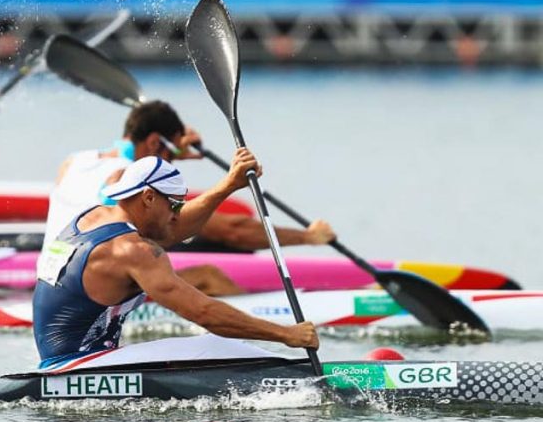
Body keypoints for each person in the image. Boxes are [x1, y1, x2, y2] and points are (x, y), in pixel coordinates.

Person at [33, 153, 319, 371]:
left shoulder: (92, 217)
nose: (176, 214)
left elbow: (174, 229)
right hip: (81, 366)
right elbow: (203, 312)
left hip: (60, 361)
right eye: (175, 205)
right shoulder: (134, 252)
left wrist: (228, 185)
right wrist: (287, 334)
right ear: (148, 197)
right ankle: (304, 375)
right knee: (214, 346)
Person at [43, 100, 335, 295]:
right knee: (210, 276)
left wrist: (174, 153)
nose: (173, 162)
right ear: (155, 142)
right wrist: (308, 237)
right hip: (90, 285)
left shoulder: (74, 161)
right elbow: (233, 231)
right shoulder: (127, 180)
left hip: (51, 275)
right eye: (170, 154)